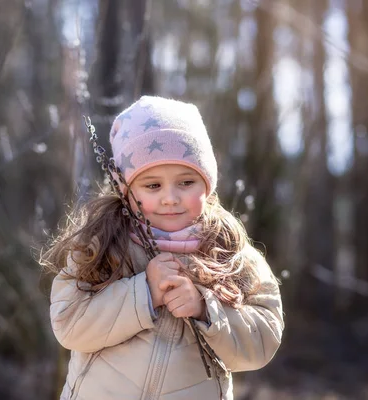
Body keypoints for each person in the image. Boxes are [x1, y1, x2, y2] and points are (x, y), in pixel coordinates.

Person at [41, 96, 284, 400]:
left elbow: (263, 340)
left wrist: (205, 308)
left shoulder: (230, 253)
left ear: (207, 184)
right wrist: (143, 293)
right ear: (126, 189)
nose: (170, 198)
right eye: (153, 186)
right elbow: (69, 324)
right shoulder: (104, 244)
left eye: (186, 182)